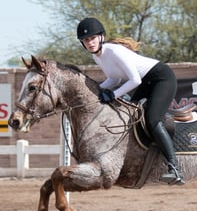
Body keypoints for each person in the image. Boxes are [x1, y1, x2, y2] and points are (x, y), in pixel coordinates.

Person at [77, 17, 185, 185]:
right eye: (85, 40)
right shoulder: (97, 57)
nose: (89, 43)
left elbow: (135, 81)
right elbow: (113, 79)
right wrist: (96, 91)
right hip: (147, 81)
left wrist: (112, 95)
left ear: (101, 37)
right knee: (131, 116)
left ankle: (175, 169)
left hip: (161, 78)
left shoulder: (113, 51)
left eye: (92, 38)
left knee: (153, 119)